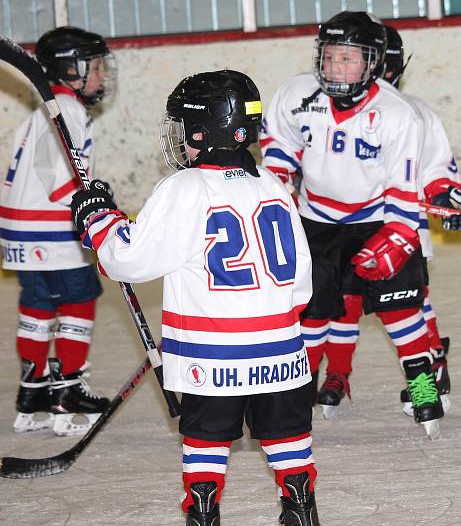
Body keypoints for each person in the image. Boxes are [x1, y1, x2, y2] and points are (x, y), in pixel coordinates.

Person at [70, 70, 320, 525]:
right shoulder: (273, 185)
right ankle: (301, 509)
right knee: (286, 434)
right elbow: (302, 279)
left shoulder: (183, 188)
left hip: (213, 353)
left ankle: (203, 514)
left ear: (202, 130)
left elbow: (130, 260)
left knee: (206, 437)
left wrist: (98, 220)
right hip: (283, 349)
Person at [260, 10, 443, 437]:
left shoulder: (397, 114)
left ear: (373, 62)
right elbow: (279, 145)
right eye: (330, 56)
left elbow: (404, 189)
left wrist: (398, 237)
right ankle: (297, 391)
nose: (336, 67)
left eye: (349, 58)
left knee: (402, 311)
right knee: (310, 313)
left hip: (374, 220)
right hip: (316, 222)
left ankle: (423, 388)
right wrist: (280, 182)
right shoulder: (296, 94)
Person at [0, 26, 115, 436]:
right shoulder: (66, 109)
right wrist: (93, 203)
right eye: (96, 67)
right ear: (71, 69)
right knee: (80, 299)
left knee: (38, 306)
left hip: (19, 232)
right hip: (51, 232)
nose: (102, 75)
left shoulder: (41, 113)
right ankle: (67, 389)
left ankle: (33, 391)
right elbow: (59, 177)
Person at [369, 23, 461, 416]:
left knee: (408, 309)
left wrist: (448, 196)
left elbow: (436, 169)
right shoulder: (321, 110)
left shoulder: (414, 112)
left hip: (398, 231)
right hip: (336, 231)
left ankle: (428, 381)